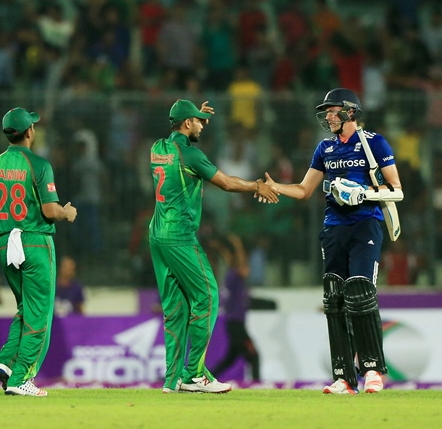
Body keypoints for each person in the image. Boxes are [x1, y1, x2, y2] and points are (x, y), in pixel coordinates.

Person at [264, 88, 403, 395]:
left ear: (351, 112)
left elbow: (397, 190)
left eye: (333, 110)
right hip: (334, 227)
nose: (327, 116)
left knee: (361, 292)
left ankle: (373, 371)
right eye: (326, 111)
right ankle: (343, 376)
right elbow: (303, 190)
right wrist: (276, 187)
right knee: (334, 297)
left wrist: (363, 194)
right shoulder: (325, 148)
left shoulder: (374, 143)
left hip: (366, 224)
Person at [150, 99, 278, 394]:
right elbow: (227, 183)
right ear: (186, 124)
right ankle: (194, 374)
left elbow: (181, 135)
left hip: (157, 234)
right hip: (179, 234)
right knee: (207, 295)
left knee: (175, 308)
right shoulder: (190, 155)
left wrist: (197, 117)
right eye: (196, 121)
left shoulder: (158, 148)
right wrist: (256, 186)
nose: (202, 125)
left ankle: (172, 381)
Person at [0, 107, 77, 397]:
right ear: (29, 132)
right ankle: (22, 378)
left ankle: (6, 362)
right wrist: (66, 213)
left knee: (25, 308)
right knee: (40, 314)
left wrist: (8, 218)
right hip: (35, 242)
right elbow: (49, 209)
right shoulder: (39, 165)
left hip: (7, 243)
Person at [210, 234, 260, 382]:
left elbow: (231, 259)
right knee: (254, 356)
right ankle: (258, 384)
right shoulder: (236, 275)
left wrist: (221, 248)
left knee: (230, 359)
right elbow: (241, 264)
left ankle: (209, 378)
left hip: (233, 322)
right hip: (236, 323)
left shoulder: (230, 274)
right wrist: (238, 244)